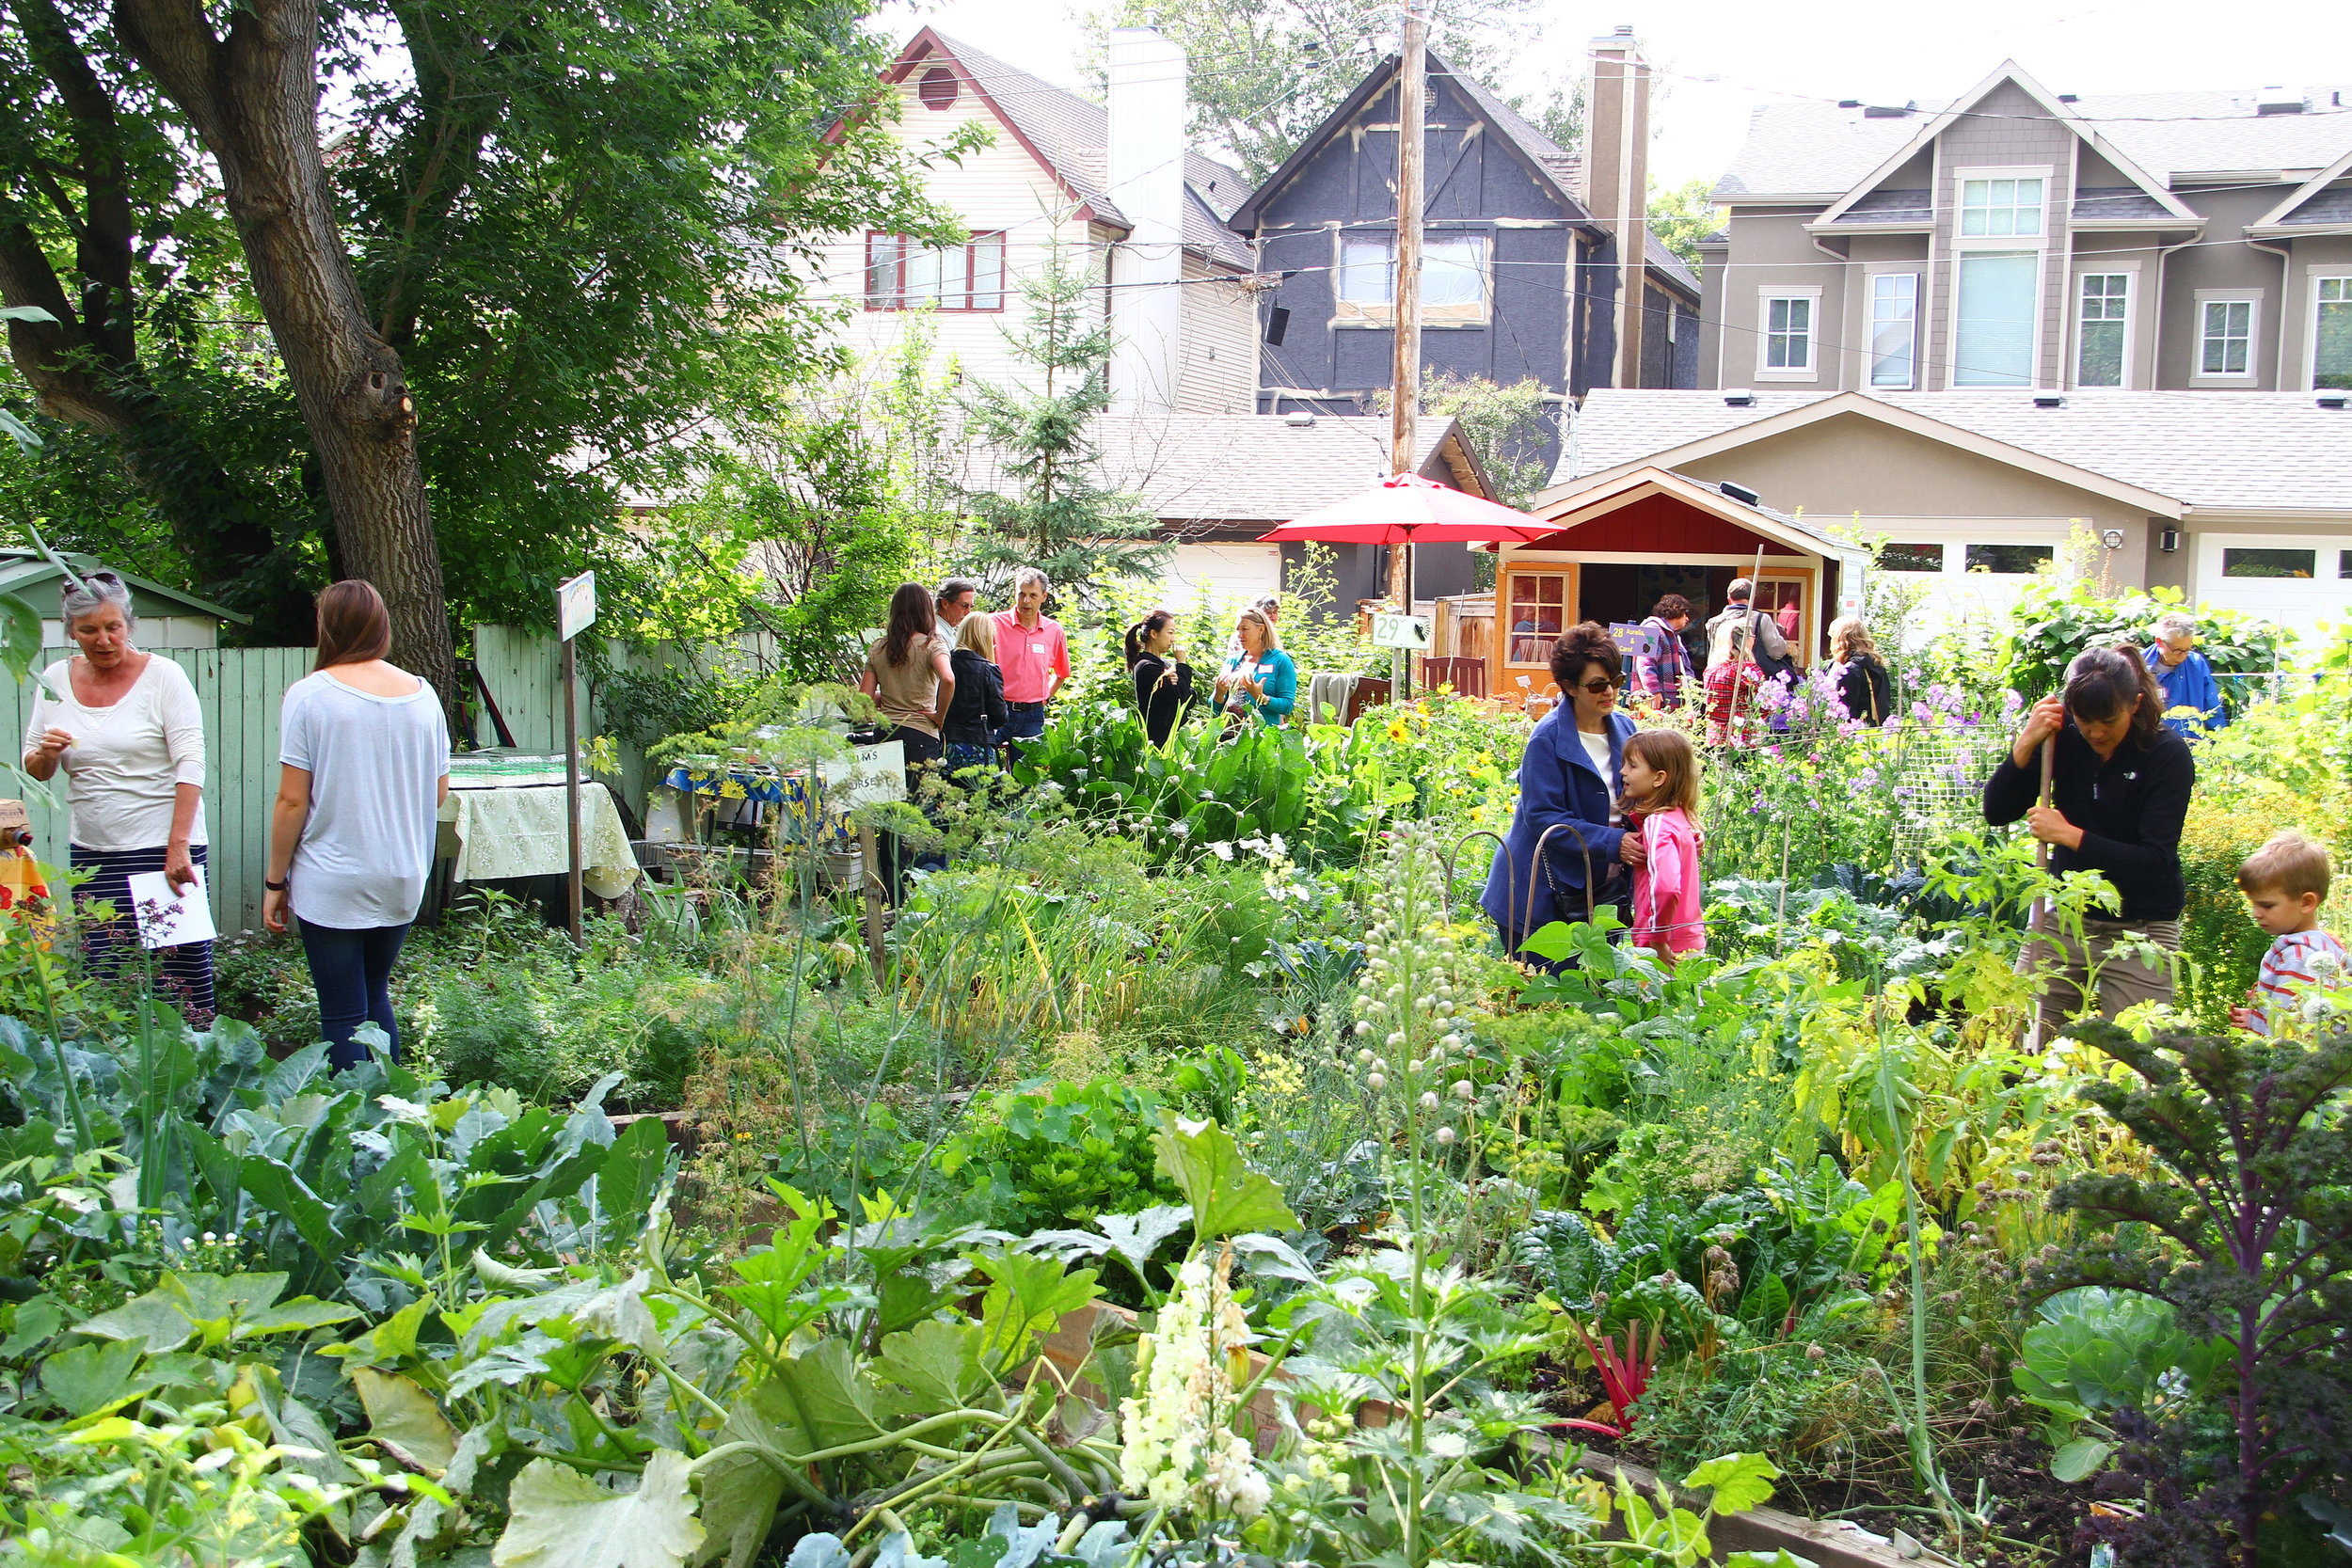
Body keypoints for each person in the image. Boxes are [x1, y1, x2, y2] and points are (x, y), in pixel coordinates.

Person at [262, 581, 450, 1069]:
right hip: (403, 874)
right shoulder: (423, 695)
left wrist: (274, 881)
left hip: (334, 875)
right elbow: (438, 793)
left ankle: (351, 1134)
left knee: (342, 1011)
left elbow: (290, 801)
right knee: (373, 995)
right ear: (382, 625)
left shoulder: (309, 696)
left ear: (326, 627)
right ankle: (395, 1122)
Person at [22, 569, 215, 1021]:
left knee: (179, 976)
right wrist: (48, 754)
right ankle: (116, 1079)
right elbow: (35, 767)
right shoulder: (54, 678)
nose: (103, 639)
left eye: (113, 627)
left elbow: (191, 763)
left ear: (129, 625)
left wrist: (179, 846)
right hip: (93, 850)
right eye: (89, 629)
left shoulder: (164, 677)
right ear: (71, 631)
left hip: (163, 849)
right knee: (104, 972)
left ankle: (189, 1076)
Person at [1983, 646, 2193, 1033]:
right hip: (2065, 920)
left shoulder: (2166, 754)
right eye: (2084, 720)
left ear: (2135, 703)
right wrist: (2026, 743)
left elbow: (2154, 862)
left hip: (2142, 928)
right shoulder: (2061, 741)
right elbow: (1997, 811)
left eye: (2108, 720)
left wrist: (2070, 836)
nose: (2095, 732)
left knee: (2134, 1058)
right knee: (2020, 1040)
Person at [1481, 622, 1639, 963]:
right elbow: (1543, 817)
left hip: (1602, 894)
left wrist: (1676, 832)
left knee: (1594, 997)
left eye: (1616, 681)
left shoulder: (1626, 728)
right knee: (1546, 1002)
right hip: (1541, 895)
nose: (1610, 692)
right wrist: (1615, 844)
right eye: (1598, 685)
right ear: (1568, 686)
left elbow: (1644, 799)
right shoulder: (1547, 738)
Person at [2228, 832, 2344, 1037]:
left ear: (2306, 902)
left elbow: (2291, 1028)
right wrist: (2257, 1015)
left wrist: (2260, 1025)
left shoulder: (2299, 957)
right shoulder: (2325, 945)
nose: (2256, 913)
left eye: (2267, 905)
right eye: (2253, 904)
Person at [1619, 728, 1705, 965]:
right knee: (1686, 1002)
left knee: (1656, 1002)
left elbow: (1666, 887)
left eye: (1632, 766)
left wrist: (1657, 940)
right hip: (1689, 939)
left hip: (1663, 948)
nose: (1623, 772)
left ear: (1659, 778)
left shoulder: (1658, 824)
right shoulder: (1680, 818)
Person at [990, 568, 1070, 751]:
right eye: (1022, 594)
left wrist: (1045, 697)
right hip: (997, 709)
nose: (1026, 601)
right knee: (983, 771)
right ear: (1015, 594)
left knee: (1026, 775)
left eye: (1033, 595)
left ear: (1043, 596)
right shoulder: (993, 623)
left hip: (1033, 715)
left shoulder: (1054, 631)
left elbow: (1062, 673)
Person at [941, 611, 1007, 780]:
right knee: (979, 798)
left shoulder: (943, 663)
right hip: (978, 746)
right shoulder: (988, 669)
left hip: (945, 744)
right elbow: (999, 717)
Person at [2143, 611, 2226, 736]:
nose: (2183, 656)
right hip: (2149, 745)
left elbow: (2212, 707)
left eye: (2187, 650)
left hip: (2190, 743)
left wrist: (2220, 739)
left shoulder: (2197, 664)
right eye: (2177, 650)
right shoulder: (2137, 665)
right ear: (2159, 642)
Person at [1213, 608, 1296, 728]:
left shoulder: (1280, 660)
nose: (1239, 635)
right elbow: (1214, 707)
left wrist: (1261, 697)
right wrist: (1219, 694)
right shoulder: (1232, 660)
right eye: (1238, 630)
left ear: (1261, 629)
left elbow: (1287, 706)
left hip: (1262, 738)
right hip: (1227, 738)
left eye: (1245, 629)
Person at [1127, 610, 1195, 747]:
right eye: (1170, 632)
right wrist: (1181, 664)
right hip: (1160, 741)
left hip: (1174, 740)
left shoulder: (1163, 665)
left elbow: (1189, 698)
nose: (1173, 639)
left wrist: (1184, 687)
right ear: (1154, 634)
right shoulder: (1146, 666)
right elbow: (1179, 697)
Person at [1705, 578, 1791, 677]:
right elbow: (1776, 652)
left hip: (1720, 677)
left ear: (1729, 598)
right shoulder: (1761, 619)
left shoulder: (1713, 622)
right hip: (1751, 678)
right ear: (1752, 598)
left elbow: (1716, 652)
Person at [1702, 612, 1765, 747]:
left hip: (1714, 735)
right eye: (1752, 636)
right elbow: (1764, 704)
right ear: (1746, 640)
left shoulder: (1711, 668)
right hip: (1740, 736)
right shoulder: (1746, 669)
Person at [1827, 616, 1894, 726]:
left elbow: (1846, 711)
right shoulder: (1876, 665)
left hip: (1852, 734)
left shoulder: (1849, 670)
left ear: (1839, 640)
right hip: (1874, 731)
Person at [1631, 594, 1695, 709]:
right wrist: (1654, 690)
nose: (1687, 618)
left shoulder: (1673, 635)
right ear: (1677, 611)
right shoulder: (1652, 629)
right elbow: (1645, 663)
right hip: (1656, 700)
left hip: (1670, 700)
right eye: (1685, 613)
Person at [935, 578, 978, 645]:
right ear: (945, 603)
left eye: (971, 607)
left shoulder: (949, 632)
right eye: (964, 606)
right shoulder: (938, 635)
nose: (968, 612)